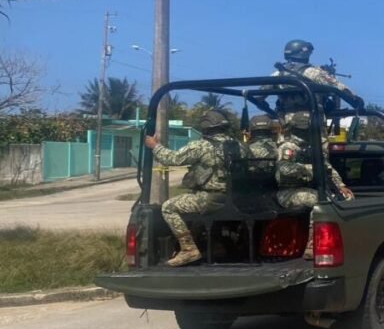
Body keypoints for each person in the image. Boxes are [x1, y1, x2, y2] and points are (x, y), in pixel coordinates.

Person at [144, 110, 247, 267]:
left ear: (206, 128)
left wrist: (155, 146)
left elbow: (173, 158)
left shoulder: (201, 146)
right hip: (237, 198)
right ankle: (217, 245)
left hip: (211, 199)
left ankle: (188, 249)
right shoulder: (240, 146)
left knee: (168, 207)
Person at [275, 111, 354, 259]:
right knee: (321, 201)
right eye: (303, 130)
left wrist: (340, 186)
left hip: (308, 189)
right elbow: (284, 169)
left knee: (346, 198)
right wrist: (309, 170)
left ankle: (342, 239)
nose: (305, 133)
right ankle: (312, 244)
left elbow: (327, 168)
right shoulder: (288, 147)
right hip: (288, 191)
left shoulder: (312, 146)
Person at [271, 39, 364, 116]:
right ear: (305, 54)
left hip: (284, 127)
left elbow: (261, 96)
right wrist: (357, 101)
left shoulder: (277, 74)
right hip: (313, 127)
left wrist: (272, 113)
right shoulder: (314, 73)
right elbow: (339, 88)